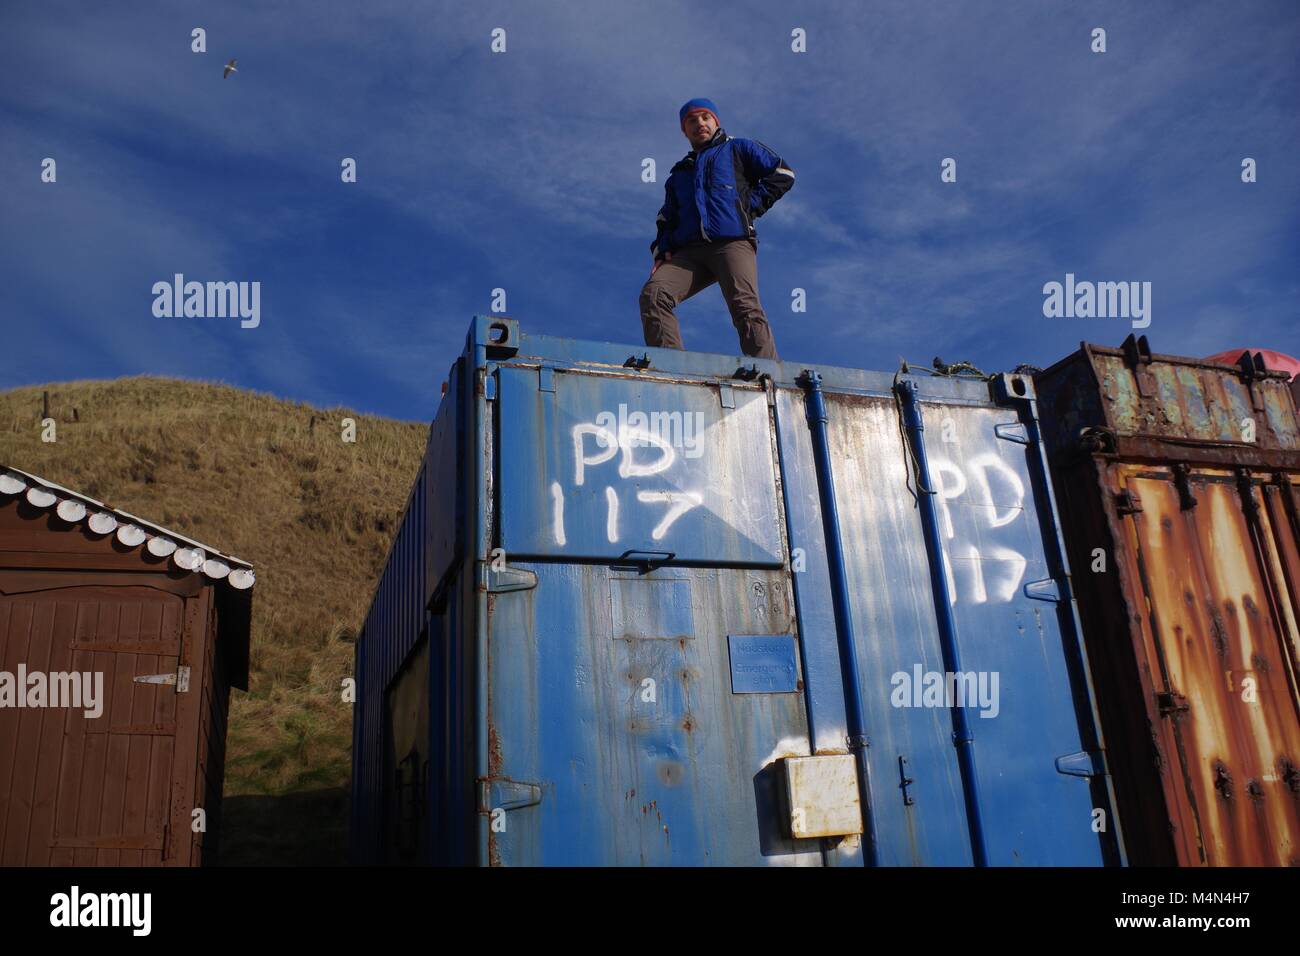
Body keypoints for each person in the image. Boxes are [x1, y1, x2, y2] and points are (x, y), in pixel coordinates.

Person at [639, 98, 795, 360]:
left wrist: (748, 206)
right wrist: (662, 250)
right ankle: (671, 369)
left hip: (731, 243)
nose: (699, 123)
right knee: (654, 294)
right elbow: (666, 218)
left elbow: (783, 173)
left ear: (716, 121)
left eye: (705, 117)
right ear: (684, 130)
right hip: (690, 253)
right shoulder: (679, 173)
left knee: (744, 306)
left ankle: (767, 374)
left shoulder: (737, 148)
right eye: (691, 120)